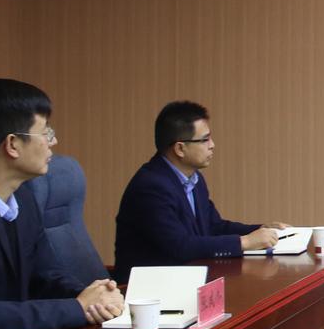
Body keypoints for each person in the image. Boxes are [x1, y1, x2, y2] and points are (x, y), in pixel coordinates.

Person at [0, 78, 124, 329]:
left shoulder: (24, 197)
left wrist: (92, 297)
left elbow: (45, 275)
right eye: (45, 133)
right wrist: (75, 308)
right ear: (12, 145)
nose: (53, 142)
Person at [114, 101, 289, 283]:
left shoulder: (194, 179)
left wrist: (260, 230)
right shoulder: (151, 186)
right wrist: (244, 242)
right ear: (180, 148)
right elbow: (180, 246)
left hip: (184, 280)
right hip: (150, 289)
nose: (212, 145)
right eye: (204, 140)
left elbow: (213, 227)